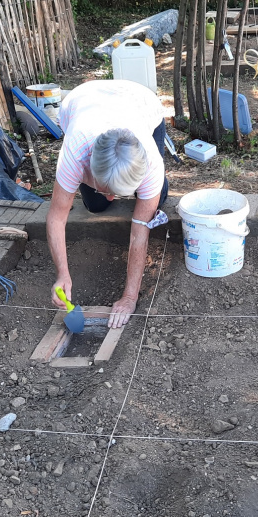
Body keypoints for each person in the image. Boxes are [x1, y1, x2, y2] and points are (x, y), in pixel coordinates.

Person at [46, 79, 168, 329]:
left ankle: (140, 191)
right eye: (109, 189)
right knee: (96, 205)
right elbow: (57, 217)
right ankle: (105, 190)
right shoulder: (75, 151)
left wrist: (130, 297)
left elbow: (139, 232)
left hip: (140, 101)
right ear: (90, 168)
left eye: (120, 191)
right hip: (84, 101)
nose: (113, 197)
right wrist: (63, 274)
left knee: (159, 197)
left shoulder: (151, 165)